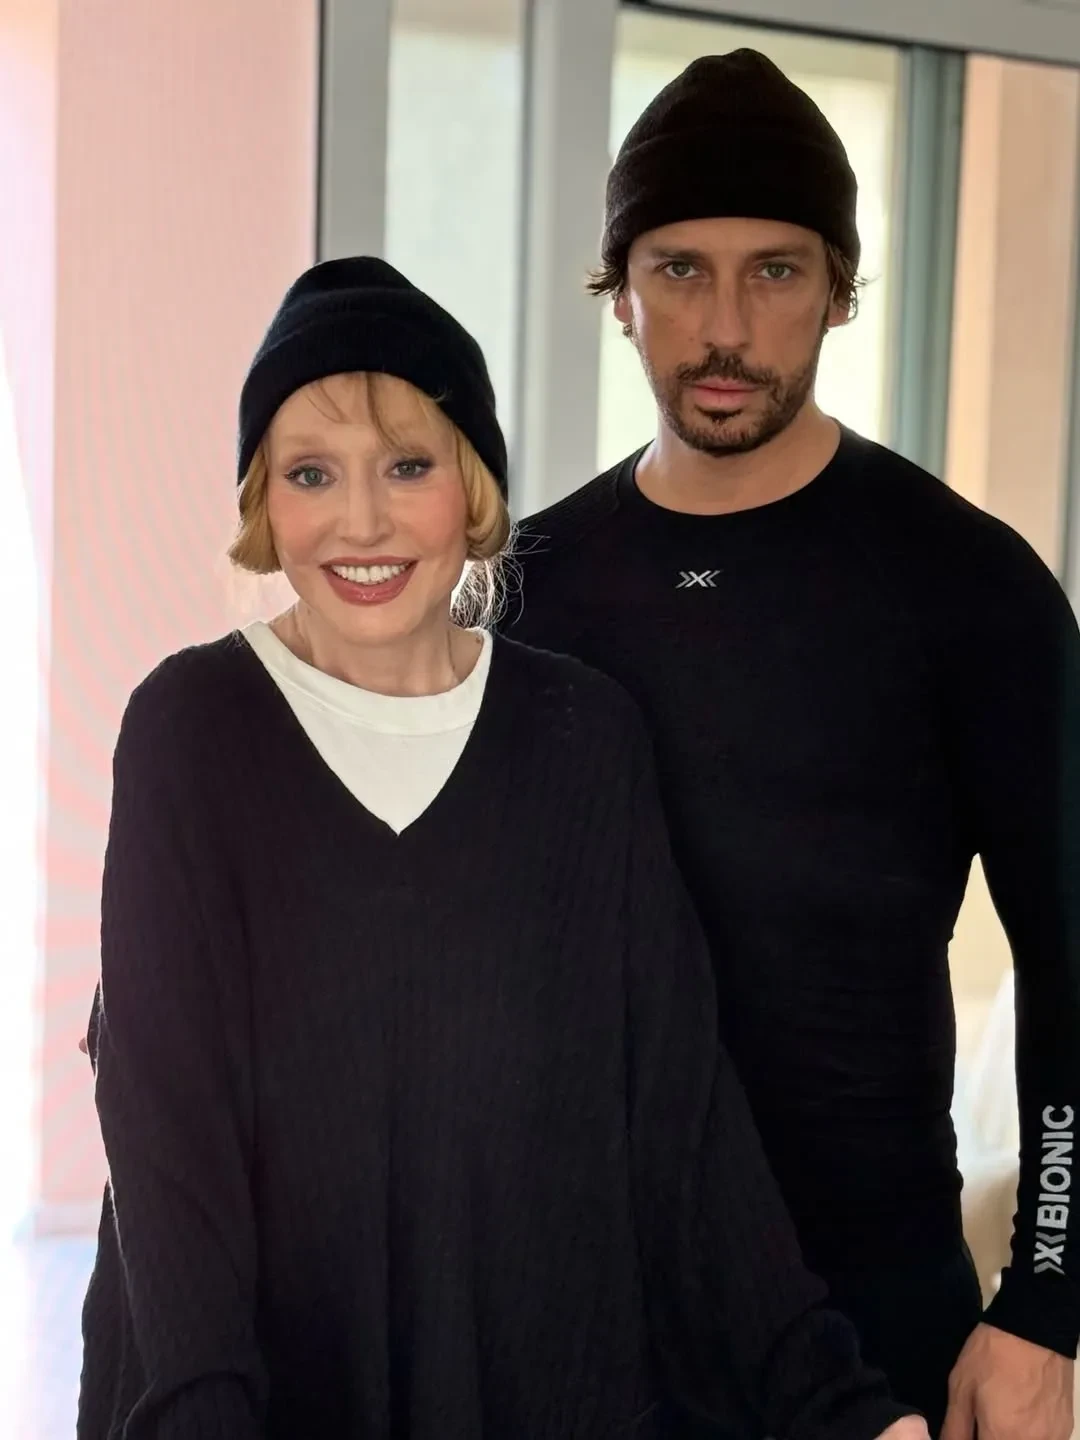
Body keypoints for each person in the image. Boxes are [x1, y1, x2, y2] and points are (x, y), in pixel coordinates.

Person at [76, 257, 927, 1440]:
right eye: (312, 473)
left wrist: (839, 1406)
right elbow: (167, 1138)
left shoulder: (584, 738)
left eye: (408, 467)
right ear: (265, 503)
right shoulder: (190, 731)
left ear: (472, 488)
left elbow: (678, 1121)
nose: (362, 521)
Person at [500, 49, 1080, 1440]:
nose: (725, 329)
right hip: (588, 1313)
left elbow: (1073, 958)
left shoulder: (970, 585)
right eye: (680, 270)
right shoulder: (527, 592)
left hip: (876, 1314)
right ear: (620, 289)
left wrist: (1046, 1304)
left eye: (775, 272)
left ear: (837, 287)